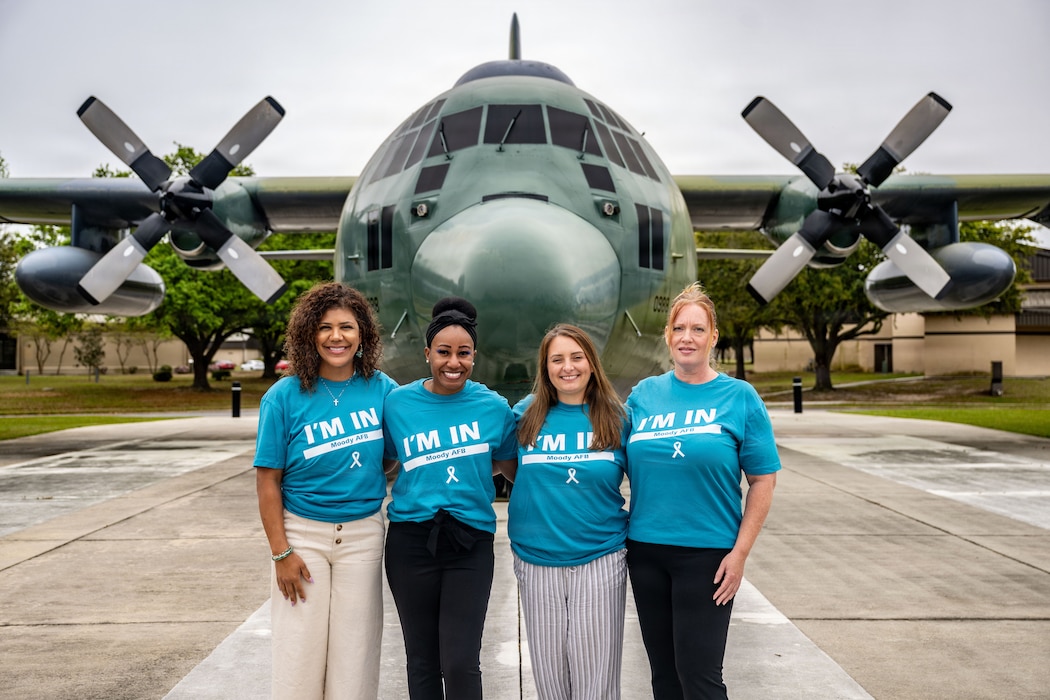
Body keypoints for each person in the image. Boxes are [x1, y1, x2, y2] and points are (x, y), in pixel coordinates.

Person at [625, 282, 780, 700]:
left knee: (700, 676)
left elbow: (763, 479)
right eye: (679, 328)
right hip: (645, 553)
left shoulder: (739, 397)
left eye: (697, 329)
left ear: (713, 336)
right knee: (664, 677)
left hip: (708, 557)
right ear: (667, 336)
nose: (687, 337)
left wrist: (740, 553)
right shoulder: (643, 396)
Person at [254, 282, 398, 700]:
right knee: (298, 656)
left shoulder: (383, 389)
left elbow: (390, 458)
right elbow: (267, 480)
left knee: (357, 658)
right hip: (302, 537)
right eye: (324, 328)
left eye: (347, 327)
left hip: (363, 535)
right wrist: (281, 552)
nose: (337, 337)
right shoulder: (283, 396)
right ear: (308, 335)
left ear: (363, 334)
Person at [382, 297, 518, 700]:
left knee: (460, 661)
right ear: (427, 354)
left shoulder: (494, 408)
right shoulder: (398, 404)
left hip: (470, 543)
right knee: (421, 660)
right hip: (410, 544)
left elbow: (510, 470)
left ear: (475, 355)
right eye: (443, 352)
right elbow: (388, 461)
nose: (452, 362)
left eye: (463, 353)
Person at [507, 323, 629, 700]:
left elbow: (648, 480)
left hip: (600, 558)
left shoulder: (616, 417)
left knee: (597, 678)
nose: (567, 367)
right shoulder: (524, 415)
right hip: (536, 559)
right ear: (545, 368)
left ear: (591, 362)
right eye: (556, 359)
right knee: (549, 676)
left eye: (576, 357)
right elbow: (511, 468)